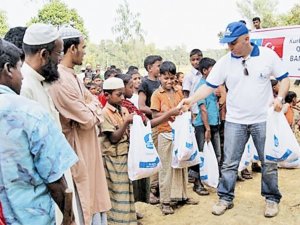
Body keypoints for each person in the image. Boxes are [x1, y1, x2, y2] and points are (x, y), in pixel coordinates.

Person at [181, 21, 290, 218]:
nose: (229, 47)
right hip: (235, 121)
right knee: (229, 162)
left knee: (268, 162)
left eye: (233, 43)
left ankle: (271, 199)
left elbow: (284, 78)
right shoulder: (224, 62)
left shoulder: (267, 55)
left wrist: (280, 98)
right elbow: (209, 86)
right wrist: (191, 100)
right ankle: (225, 198)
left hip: (262, 120)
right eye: (227, 43)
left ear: (247, 39)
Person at [0, 39, 78, 224]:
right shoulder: (30, 113)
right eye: (19, 68)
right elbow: (56, 182)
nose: (23, 76)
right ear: (8, 69)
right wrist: (71, 219)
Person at [48, 26, 111, 225]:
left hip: (89, 149)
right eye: (83, 47)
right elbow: (88, 118)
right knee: (84, 202)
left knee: (96, 200)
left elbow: (94, 105)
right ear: (72, 48)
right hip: (78, 151)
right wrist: (90, 106)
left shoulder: (73, 76)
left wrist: (89, 105)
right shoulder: (59, 79)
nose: (84, 51)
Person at [20, 23, 80, 224]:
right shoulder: (24, 87)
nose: (60, 59)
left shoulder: (41, 82)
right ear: (44, 54)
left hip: (58, 178)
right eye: (58, 54)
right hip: (45, 188)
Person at [151, 61, 198, 215]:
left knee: (182, 164)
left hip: (179, 133)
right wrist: (170, 113)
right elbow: (154, 114)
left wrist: (184, 110)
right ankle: (165, 201)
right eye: (166, 78)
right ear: (160, 77)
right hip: (164, 133)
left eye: (172, 78)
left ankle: (182, 196)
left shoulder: (178, 92)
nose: (169, 81)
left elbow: (185, 107)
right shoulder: (157, 94)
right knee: (166, 168)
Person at [99, 77, 137, 224]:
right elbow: (113, 138)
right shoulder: (105, 113)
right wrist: (127, 121)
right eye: (118, 94)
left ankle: (128, 219)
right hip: (112, 158)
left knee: (126, 189)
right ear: (107, 95)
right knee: (116, 191)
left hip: (124, 154)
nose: (122, 97)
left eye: (122, 94)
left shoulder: (123, 110)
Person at [189, 57, 221, 195]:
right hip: (203, 126)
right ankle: (197, 184)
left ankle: (214, 179)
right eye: (212, 69)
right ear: (205, 71)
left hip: (213, 124)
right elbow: (203, 109)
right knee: (200, 155)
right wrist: (207, 128)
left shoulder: (212, 86)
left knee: (216, 154)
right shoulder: (201, 87)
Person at [138, 55, 162, 204]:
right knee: (154, 156)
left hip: (164, 123)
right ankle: (152, 190)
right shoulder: (145, 84)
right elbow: (141, 106)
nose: (160, 68)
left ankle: (161, 187)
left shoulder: (161, 82)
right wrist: (157, 113)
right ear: (149, 68)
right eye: (158, 65)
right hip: (153, 124)